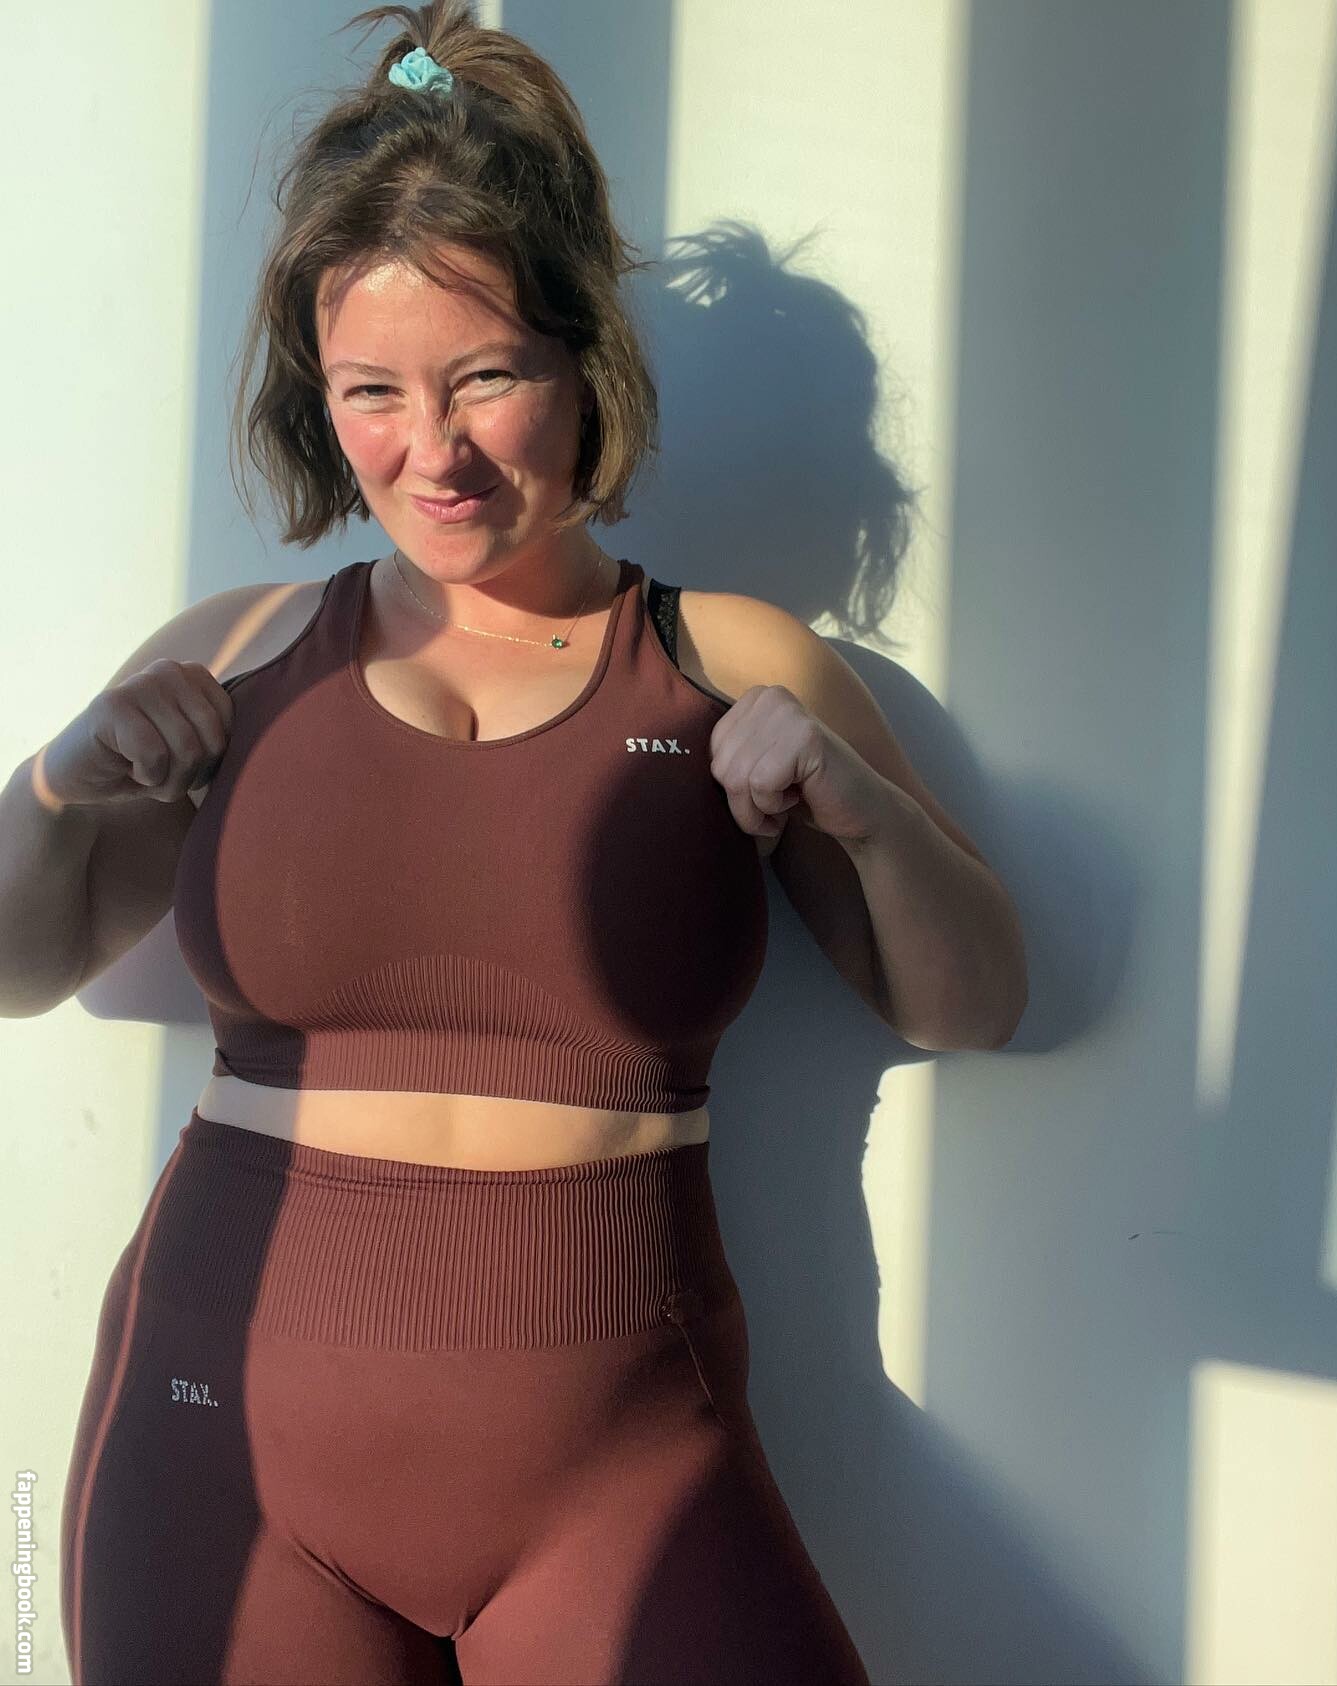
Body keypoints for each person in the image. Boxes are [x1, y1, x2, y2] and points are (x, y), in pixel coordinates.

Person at [25, 4, 885, 1682]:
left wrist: (859, 800)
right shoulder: (238, 653)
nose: (432, 451)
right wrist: (57, 779)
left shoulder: (730, 661)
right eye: (373, 392)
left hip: (623, 1473)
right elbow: (14, 966)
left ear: (582, 361)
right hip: (217, 1446)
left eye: (486, 376)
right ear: (320, 393)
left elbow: (974, 995)